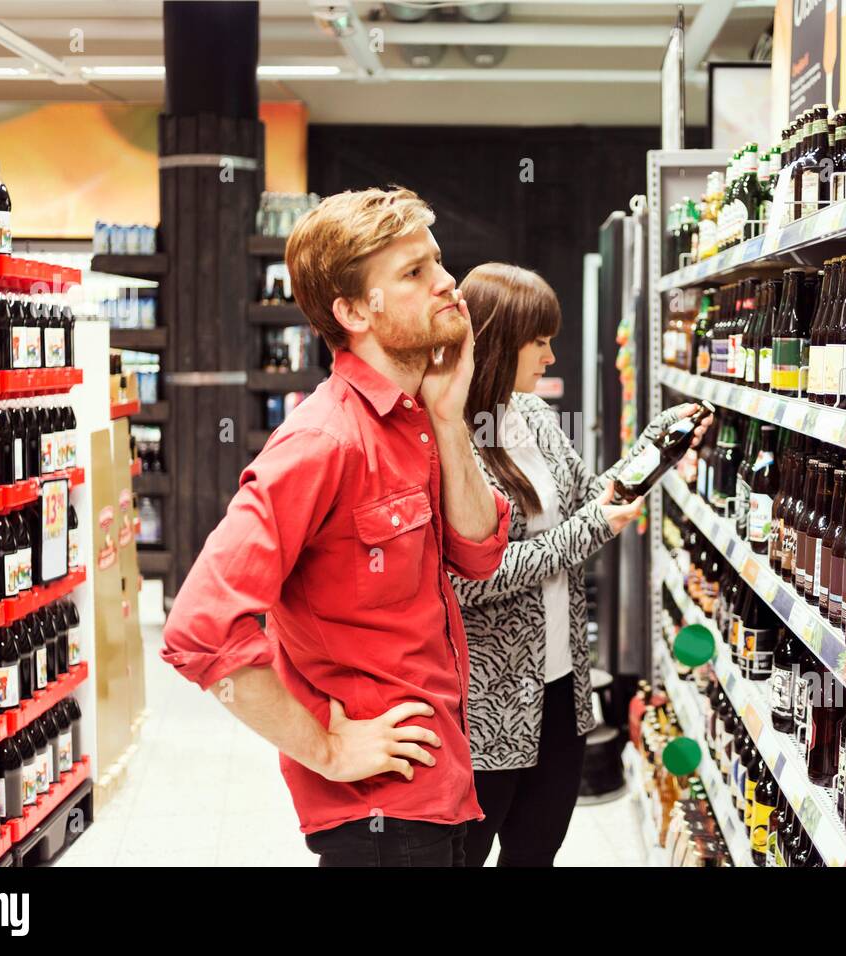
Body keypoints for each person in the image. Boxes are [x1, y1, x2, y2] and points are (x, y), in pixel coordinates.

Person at [159, 188, 511, 867]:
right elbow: (199, 630)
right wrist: (324, 746)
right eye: (412, 273)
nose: (446, 283)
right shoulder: (323, 441)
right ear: (352, 312)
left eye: (436, 261)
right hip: (380, 816)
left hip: (439, 783)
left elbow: (479, 553)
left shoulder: (416, 420)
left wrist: (448, 416)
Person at [452, 262, 710, 866]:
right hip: (490, 703)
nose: (548, 356)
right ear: (496, 339)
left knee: (537, 852)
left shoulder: (535, 419)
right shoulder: (452, 438)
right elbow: (469, 577)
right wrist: (591, 529)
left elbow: (594, 498)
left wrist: (658, 443)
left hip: (561, 690)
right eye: (537, 341)